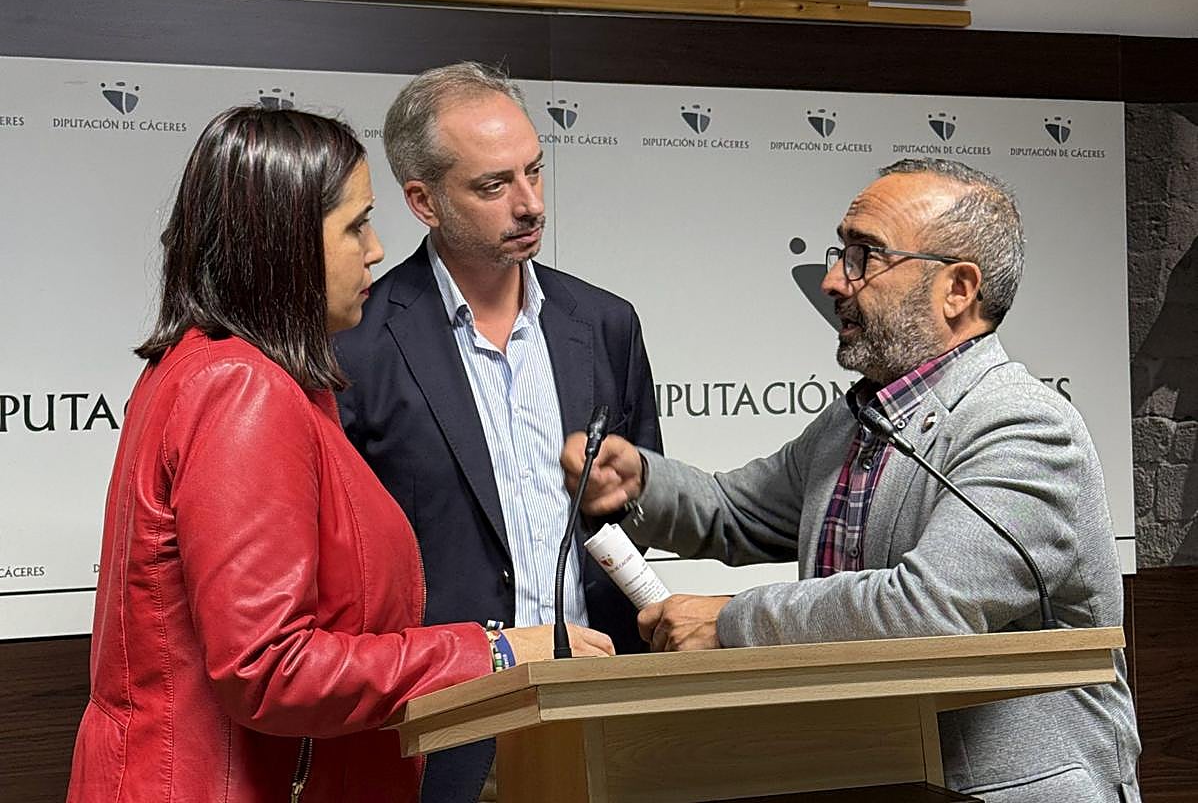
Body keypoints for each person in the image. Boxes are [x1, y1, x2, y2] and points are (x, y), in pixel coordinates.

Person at [66, 106, 612, 803]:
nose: (377, 249)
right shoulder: (241, 388)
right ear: (283, 243)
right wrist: (495, 652)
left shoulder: (234, 372)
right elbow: (269, 667)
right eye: (355, 225)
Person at [563, 158, 1141, 803]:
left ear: (958, 289)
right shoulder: (856, 420)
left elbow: (929, 611)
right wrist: (640, 482)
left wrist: (733, 623)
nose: (834, 280)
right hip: (871, 772)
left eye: (865, 256)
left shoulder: (1027, 428)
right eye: (842, 252)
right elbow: (738, 511)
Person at [334, 62, 662, 802]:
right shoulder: (356, 347)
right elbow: (349, 577)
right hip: (452, 731)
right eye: (493, 186)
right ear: (422, 201)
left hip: (605, 712)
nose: (530, 204)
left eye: (535, 173)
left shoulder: (606, 325)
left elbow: (643, 505)